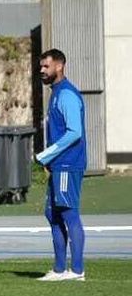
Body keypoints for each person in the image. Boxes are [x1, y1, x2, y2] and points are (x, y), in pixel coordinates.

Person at [36, 48, 87, 281]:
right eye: (41, 66)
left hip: (68, 164)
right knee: (52, 213)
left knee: (68, 213)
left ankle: (76, 271)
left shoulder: (66, 94)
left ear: (59, 66)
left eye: (46, 66)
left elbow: (74, 132)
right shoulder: (55, 93)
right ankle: (59, 270)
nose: (42, 70)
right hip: (58, 164)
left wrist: (46, 155)